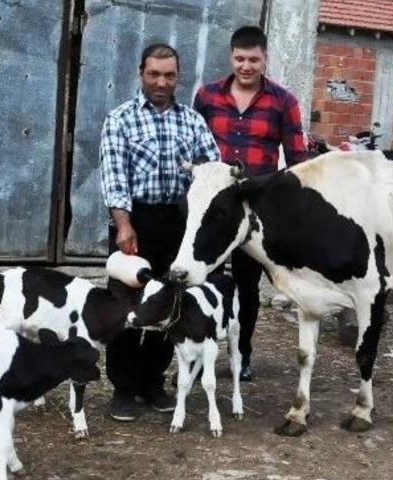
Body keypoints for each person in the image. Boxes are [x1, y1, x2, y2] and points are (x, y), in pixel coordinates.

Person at [99, 43, 221, 421]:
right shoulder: (120, 119)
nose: (161, 82)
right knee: (126, 306)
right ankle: (123, 388)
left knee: (170, 306)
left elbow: (211, 170)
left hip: (178, 227)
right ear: (141, 73)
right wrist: (123, 226)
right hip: (134, 224)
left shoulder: (192, 122)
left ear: (177, 77)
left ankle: (154, 382)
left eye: (169, 75)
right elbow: (114, 178)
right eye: (154, 74)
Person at [193, 26, 308, 381]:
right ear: (231, 57)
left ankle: (242, 354)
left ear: (265, 60)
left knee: (247, 286)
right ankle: (201, 355)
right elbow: (196, 149)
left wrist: (292, 210)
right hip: (214, 212)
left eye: (253, 60)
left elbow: (298, 160)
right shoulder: (207, 96)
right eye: (240, 59)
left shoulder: (283, 101)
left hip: (254, 213)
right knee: (206, 283)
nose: (246, 66)